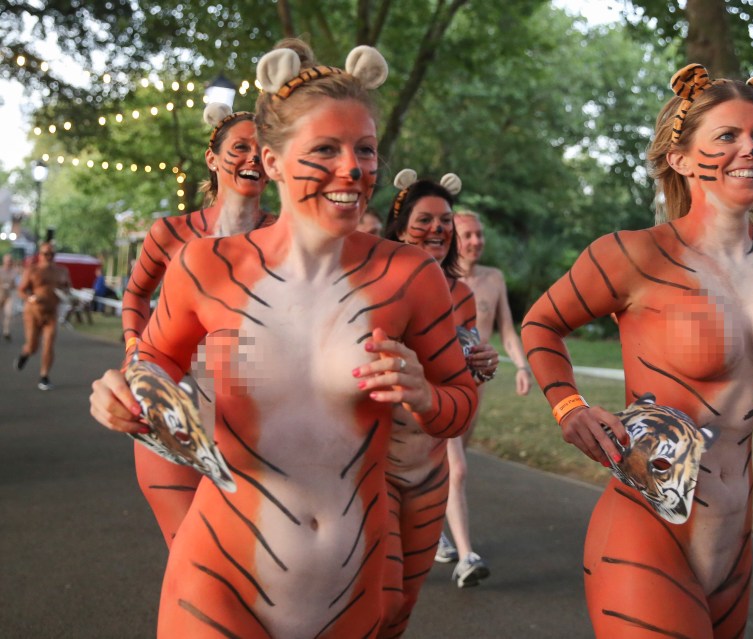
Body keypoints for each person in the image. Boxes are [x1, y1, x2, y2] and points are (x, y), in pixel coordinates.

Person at [89, 39, 478, 638]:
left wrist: (425, 396)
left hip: (349, 587)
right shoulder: (204, 265)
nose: (353, 169)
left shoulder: (411, 277)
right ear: (271, 162)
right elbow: (154, 362)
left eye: (365, 150)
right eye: (326, 149)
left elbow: (460, 404)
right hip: (217, 578)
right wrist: (123, 392)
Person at [521, 63, 753, 638]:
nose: (748, 149)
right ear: (680, 159)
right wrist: (569, 409)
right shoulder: (631, 255)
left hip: (733, 537)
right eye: (726, 136)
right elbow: (541, 324)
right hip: (644, 525)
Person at [118, 101, 274, 548]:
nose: (251, 158)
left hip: (250, 411)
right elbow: (135, 295)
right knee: (188, 549)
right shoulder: (170, 233)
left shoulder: (285, 237)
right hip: (173, 403)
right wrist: (135, 353)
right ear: (212, 158)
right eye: (240, 147)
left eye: (262, 150)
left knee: (246, 556)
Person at [379, 168, 497, 632]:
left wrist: (480, 363)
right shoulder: (372, 280)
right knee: (379, 594)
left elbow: (459, 366)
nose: (438, 230)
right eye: (425, 220)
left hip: (429, 463)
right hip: (374, 459)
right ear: (399, 224)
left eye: (445, 221)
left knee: (403, 603)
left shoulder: (461, 294)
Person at [432, 211, 532, 571]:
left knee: (445, 471)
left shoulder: (494, 279)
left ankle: (428, 531)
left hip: (477, 389)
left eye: (479, 235)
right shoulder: (436, 280)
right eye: (468, 236)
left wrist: (521, 366)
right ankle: (466, 556)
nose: (476, 242)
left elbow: (506, 331)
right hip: (444, 388)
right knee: (455, 469)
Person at [15, 242, 71, 390]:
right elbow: (21, 290)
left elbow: (67, 288)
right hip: (33, 312)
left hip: (51, 312)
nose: (49, 257)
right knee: (33, 346)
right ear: (40, 255)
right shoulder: (32, 270)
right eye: (46, 254)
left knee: (49, 344)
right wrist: (30, 298)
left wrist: (64, 292)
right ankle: (25, 353)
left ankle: (44, 376)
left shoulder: (61, 271)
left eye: (52, 254)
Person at [0, 253, 18, 341]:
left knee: (9, 313)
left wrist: (12, 286)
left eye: (10, 261)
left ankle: (6, 331)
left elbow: (16, 284)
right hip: (0, 294)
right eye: (7, 261)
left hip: (9, 295)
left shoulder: (14, 272)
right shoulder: (0, 270)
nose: (9, 263)